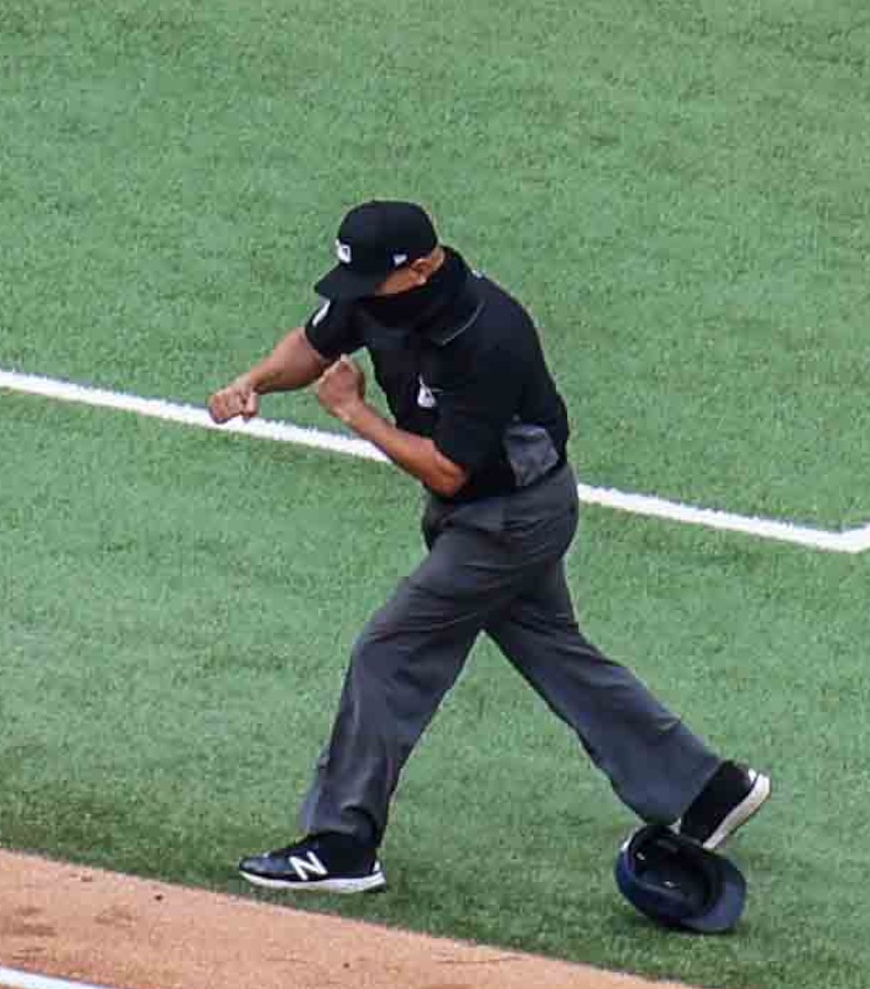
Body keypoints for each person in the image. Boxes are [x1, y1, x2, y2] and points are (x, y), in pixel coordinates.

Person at [205, 200, 771, 895]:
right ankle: (708, 790)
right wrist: (253, 382)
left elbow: (449, 468)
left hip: (509, 519)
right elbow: (315, 341)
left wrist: (355, 413)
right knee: (553, 649)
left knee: (390, 651)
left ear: (419, 271)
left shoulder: (488, 333)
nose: (354, 299)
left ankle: (342, 843)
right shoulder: (376, 295)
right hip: (477, 514)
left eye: (369, 285)